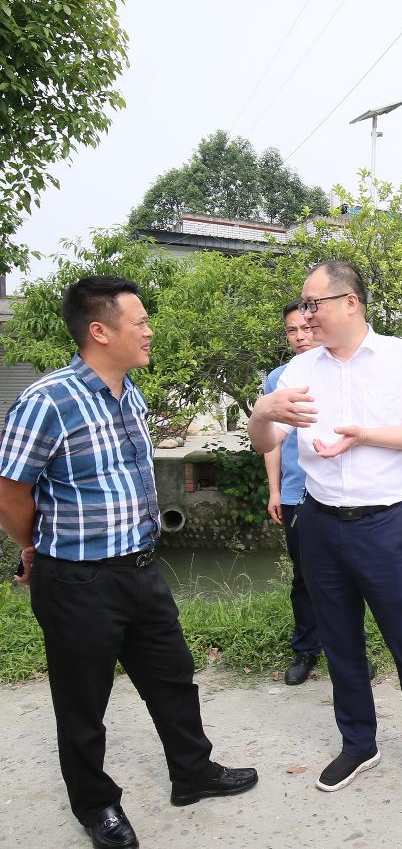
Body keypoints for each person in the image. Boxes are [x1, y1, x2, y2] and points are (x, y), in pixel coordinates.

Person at [0, 276, 257, 849]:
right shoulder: (47, 401)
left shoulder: (129, 392)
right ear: (99, 331)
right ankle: (96, 805)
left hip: (140, 567)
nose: (148, 331)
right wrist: (32, 545)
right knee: (82, 703)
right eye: (139, 321)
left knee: (173, 678)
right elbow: (10, 490)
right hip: (78, 581)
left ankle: (193, 772)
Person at [246, 260, 402, 804]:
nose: (306, 316)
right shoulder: (299, 370)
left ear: (350, 302)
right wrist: (261, 412)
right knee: (340, 642)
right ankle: (358, 744)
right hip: (320, 522)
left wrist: (363, 435)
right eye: (303, 306)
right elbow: (264, 442)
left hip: (386, 523)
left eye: (313, 304)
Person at [264, 301, 322, 685]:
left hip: (337, 493)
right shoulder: (278, 379)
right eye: (291, 330)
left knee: (346, 578)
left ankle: (350, 647)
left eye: (305, 328)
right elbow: (271, 441)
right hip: (295, 493)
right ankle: (306, 649)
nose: (300, 336)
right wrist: (274, 490)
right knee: (303, 577)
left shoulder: (341, 371)